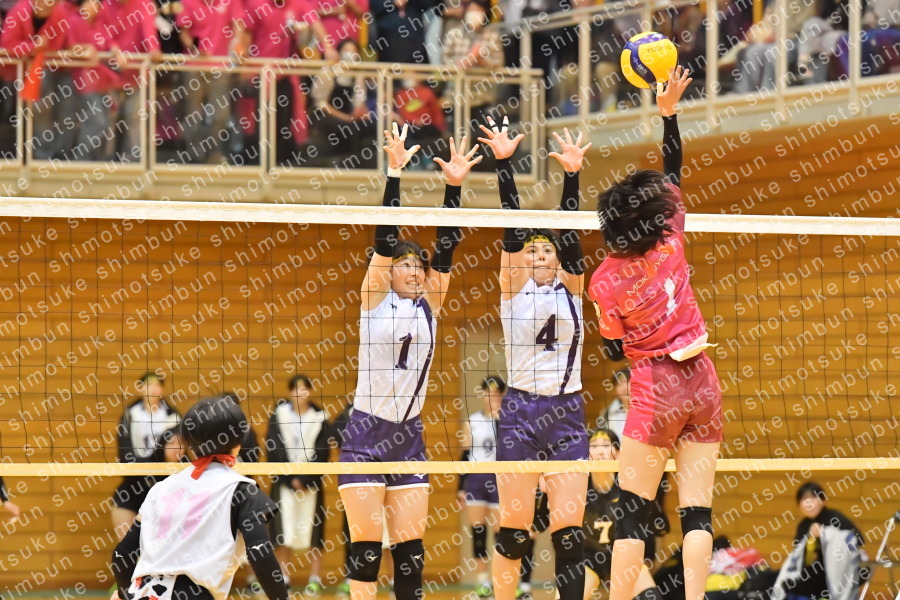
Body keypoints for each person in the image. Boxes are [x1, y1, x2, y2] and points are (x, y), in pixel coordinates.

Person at [588, 66, 722, 600]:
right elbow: (672, 175)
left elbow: (612, 347)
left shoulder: (604, 279)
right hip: (703, 378)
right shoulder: (672, 238)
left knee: (631, 515)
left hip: (655, 384)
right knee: (697, 513)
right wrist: (668, 114)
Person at [338, 124, 480, 600]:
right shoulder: (373, 299)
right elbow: (384, 239)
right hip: (365, 433)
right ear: (388, 273)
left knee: (411, 553)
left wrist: (454, 187)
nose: (415, 270)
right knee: (365, 548)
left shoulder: (429, 303)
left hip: (409, 435)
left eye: (419, 265)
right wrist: (395, 173)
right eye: (405, 265)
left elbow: (448, 245)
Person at [477, 115, 591, 600]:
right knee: (514, 532)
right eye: (533, 251)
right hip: (520, 410)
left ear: (557, 259)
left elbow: (570, 233)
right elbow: (511, 229)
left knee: (569, 534)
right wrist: (505, 165)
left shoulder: (573, 289)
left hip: (567, 411)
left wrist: (572, 176)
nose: (540, 255)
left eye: (547, 250)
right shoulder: (512, 291)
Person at [111, 396, 288, 600]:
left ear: (188, 444)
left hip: (142, 593)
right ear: (238, 444)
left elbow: (122, 555)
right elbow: (261, 555)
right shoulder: (243, 491)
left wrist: (124, 593)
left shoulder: (159, 489)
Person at [265, 375, 331, 594]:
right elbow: (273, 447)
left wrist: (304, 479)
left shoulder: (320, 417)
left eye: (304, 389)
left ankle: (314, 578)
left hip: (311, 484)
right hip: (284, 483)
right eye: (296, 389)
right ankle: (283, 577)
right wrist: (290, 478)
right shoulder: (279, 415)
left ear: (310, 391)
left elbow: (323, 452)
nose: (300, 393)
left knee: (314, 532)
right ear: (290, 392)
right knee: (283, 530)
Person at [582, 430, 660, 600]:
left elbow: (650, 528)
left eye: (606, 446)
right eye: (594, 446)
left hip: (624, 554)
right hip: (588, 558)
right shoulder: (578, 485)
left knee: (651, 597)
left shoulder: (629, 488)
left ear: (618, 454)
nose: (600, 451)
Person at [112, 372, 180, 541]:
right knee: (129, 544)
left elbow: (180, 453)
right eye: (149, 385)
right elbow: (124, 455)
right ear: (140, 389)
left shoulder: (173, 416)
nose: (154, 389)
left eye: (158, 385)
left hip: (165, 480)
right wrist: (144, 463)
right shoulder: (130, 415)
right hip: (136, 480)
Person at [775, 482, 864, 600]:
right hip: (813, 571)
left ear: (823, 501)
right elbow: (799, 558)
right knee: (781, 581)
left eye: (813, 498)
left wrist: (827, 534)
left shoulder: (835, 518)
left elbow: (858, 540)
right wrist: (811, 539)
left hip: (841, 569)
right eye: (804, 499)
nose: (809, 503)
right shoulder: (803, 526)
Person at [457, 375, 505, 598]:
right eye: (487, 393)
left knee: (500, 534)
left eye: (495, 394)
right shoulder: (472, 421)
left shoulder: (508, 421)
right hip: (476, 479)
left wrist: (498, 419)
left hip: (499, 480)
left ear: (502, 396)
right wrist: (461, 487)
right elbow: (464, 454)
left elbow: (510, 449)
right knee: (478, 532)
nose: (491, 398)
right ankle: (483, 582)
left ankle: (500, 580)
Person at [596, 368, 630, 439]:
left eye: (627, 381)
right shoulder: (606, 413)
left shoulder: (647, 411)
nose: (624, 387)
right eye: (619, 383)